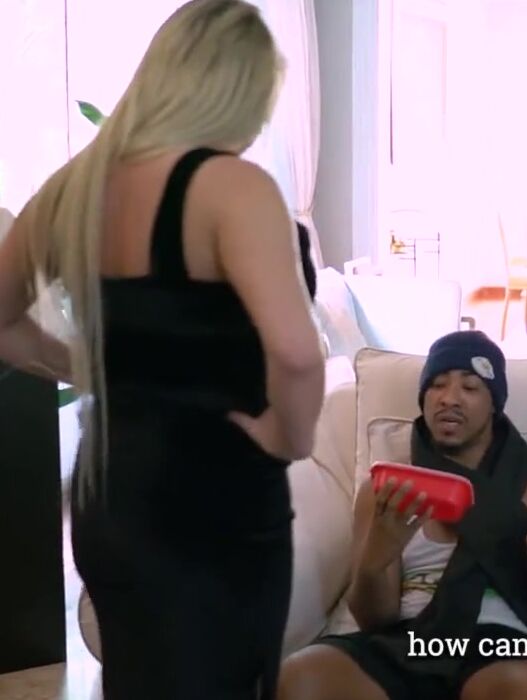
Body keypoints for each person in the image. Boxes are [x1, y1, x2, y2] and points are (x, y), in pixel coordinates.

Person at [0, 1, 325, 697]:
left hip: (110, 495)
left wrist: (87, 369)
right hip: (216, 501)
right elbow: (297, 354)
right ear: (235, 90)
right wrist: (289, 436)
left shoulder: (74, 189)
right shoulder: (233, 188)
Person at [279, 330, 527, 700]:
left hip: (505, 644)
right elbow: (375, 620)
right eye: (437, 385)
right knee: (301, 675)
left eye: (470, 387)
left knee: (526, 688)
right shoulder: (386, 487)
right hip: (411, 641)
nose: (449, 398)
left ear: (494, 403)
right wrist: (377, 558)